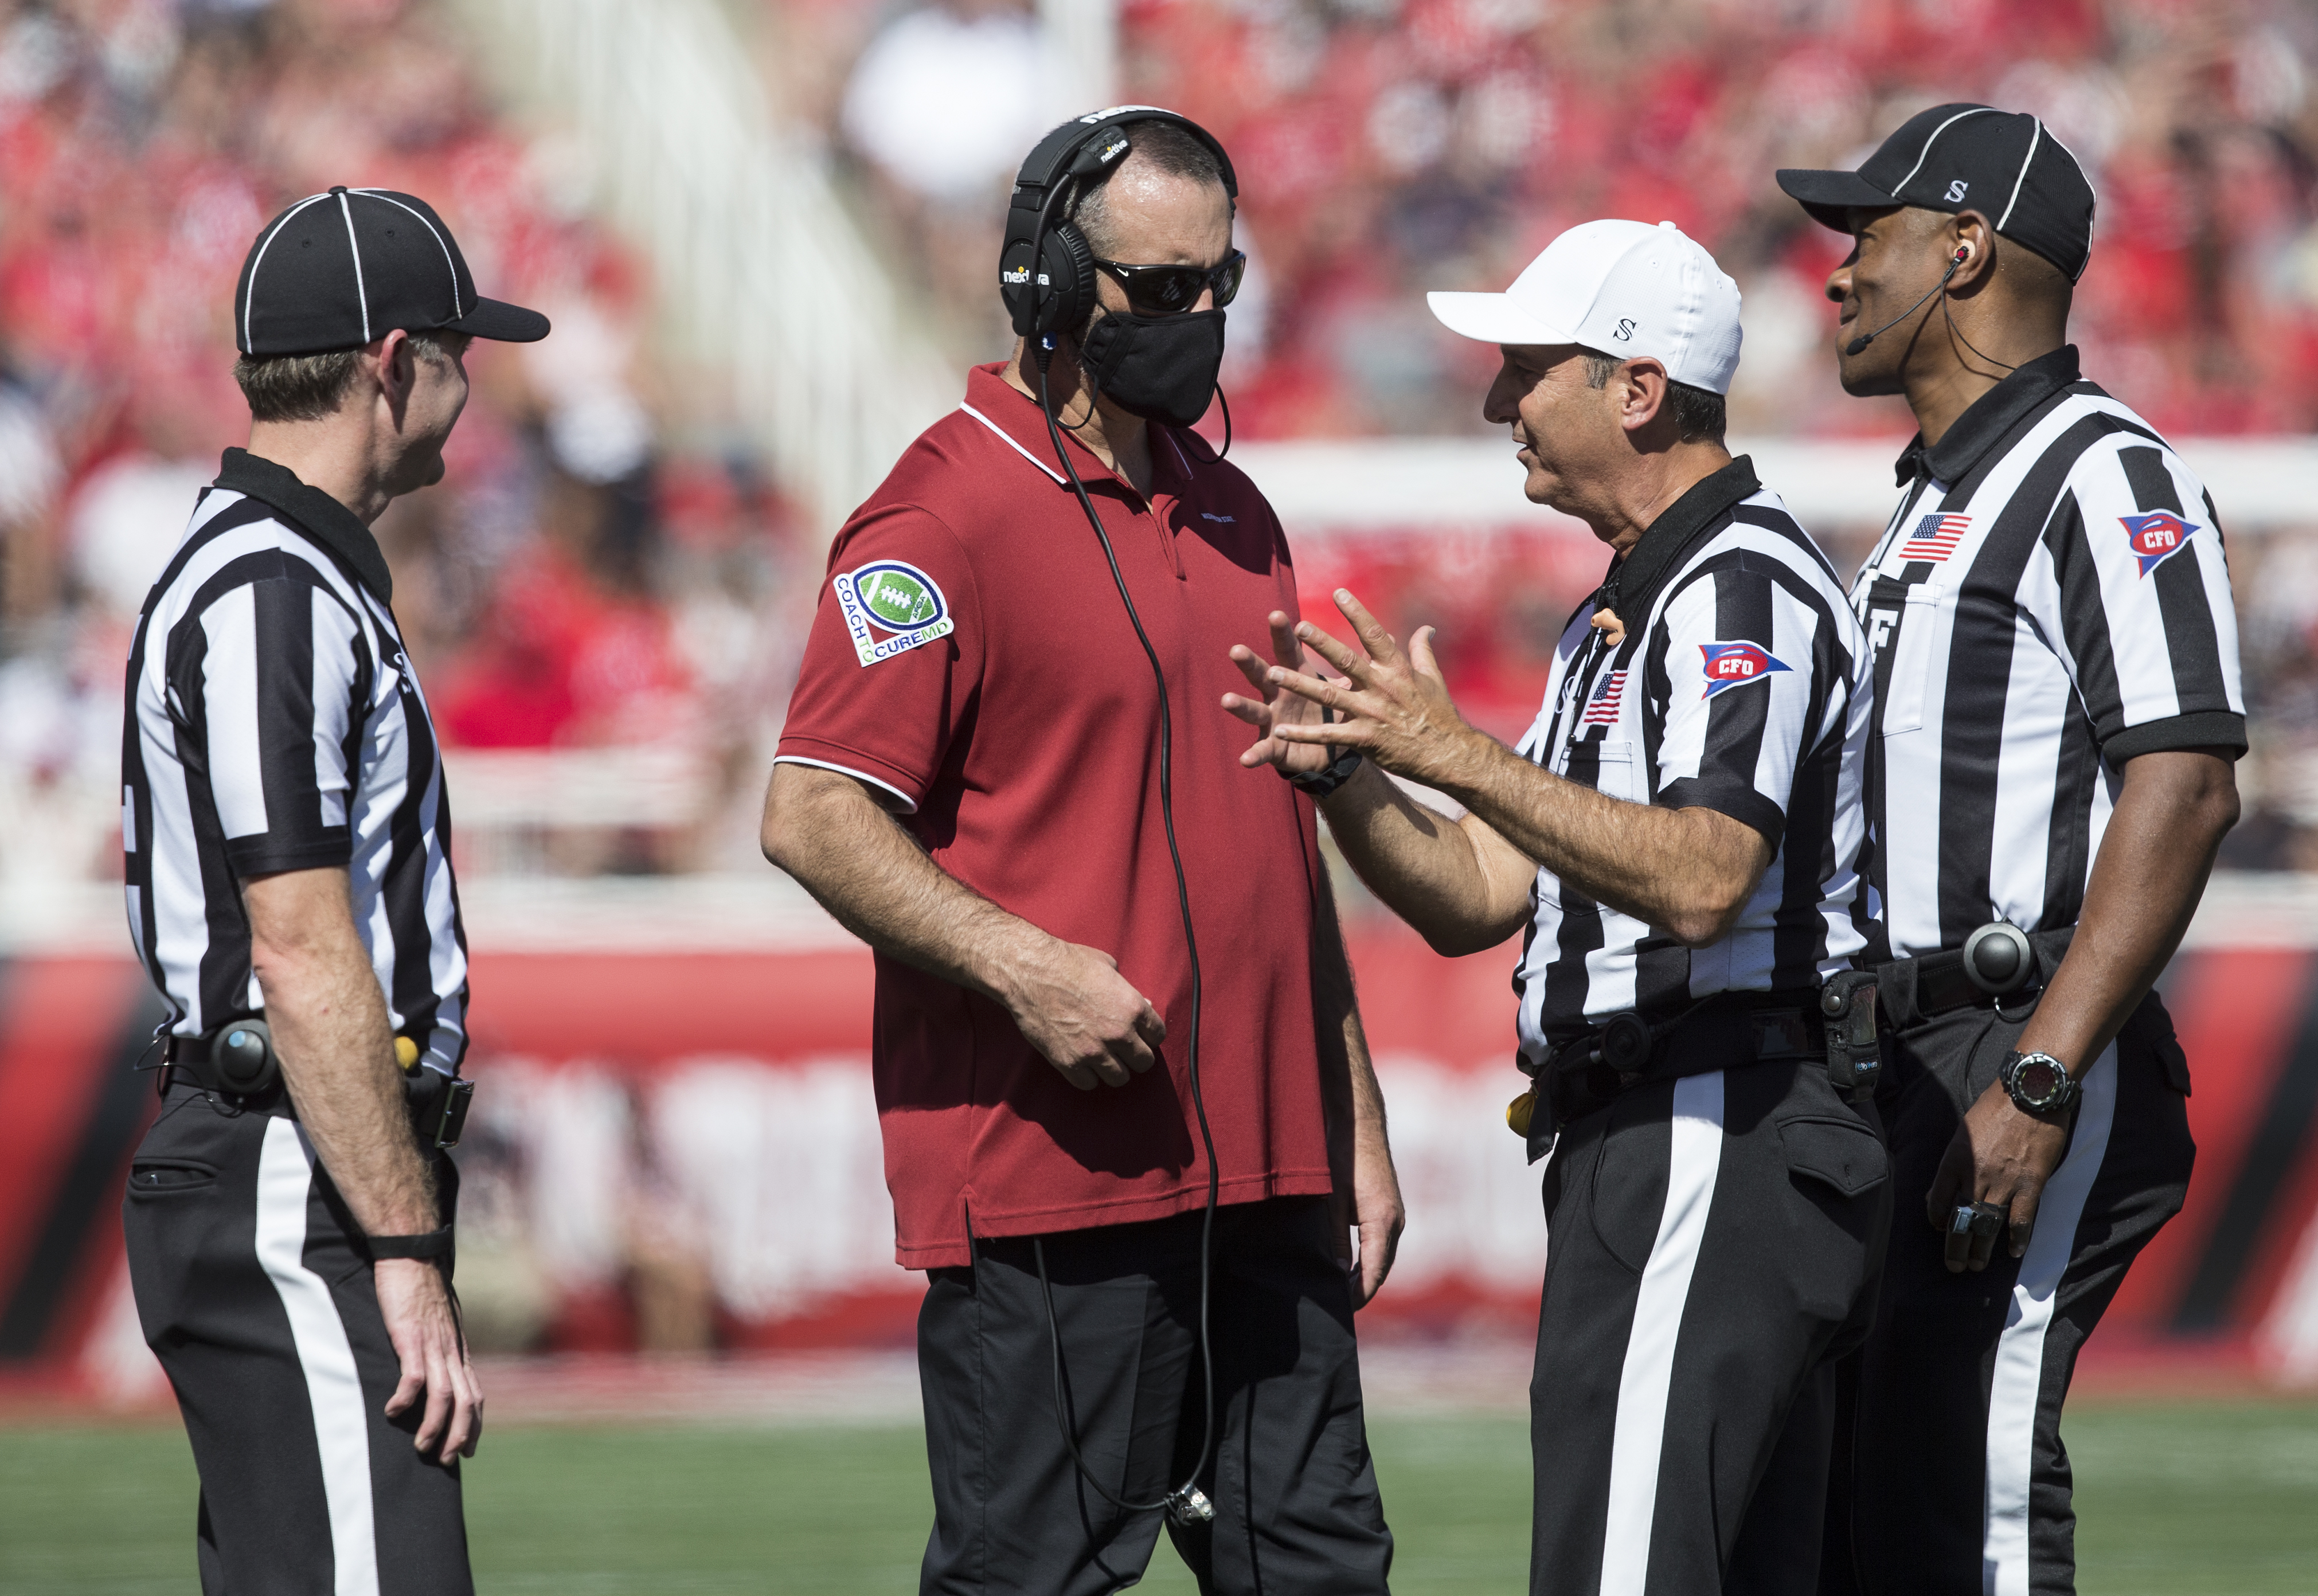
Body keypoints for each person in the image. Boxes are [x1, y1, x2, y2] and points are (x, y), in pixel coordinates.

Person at [760, 109, 1401, 1595]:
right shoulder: (934, 520)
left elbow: (1278, 840)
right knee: (1033, 1578)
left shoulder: (1241, 513)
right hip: (1058, 1177)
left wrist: (1347, 1111)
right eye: (1159, 288)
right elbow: (811, 809)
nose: (1199, 320)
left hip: (1268, 1171)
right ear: (1048, 286)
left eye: (1217, 283)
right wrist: (1021, 964)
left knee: (1322, 1571)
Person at [1226, 219, 1888, 1594]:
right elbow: (1481, 894)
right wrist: (1352, 774)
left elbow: (1707, 877)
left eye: (1531, 368)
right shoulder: (1617, 615)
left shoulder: (1740, 582)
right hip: (1659, 1136)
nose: (1495, 401)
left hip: (1718, 1123)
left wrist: (1452, 749)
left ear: (1637, 388)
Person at [1776, 105, 2243, 1595]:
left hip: (2013, 1035)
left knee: (1957, 1503)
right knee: (1865, 1504)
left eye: (1868, 235)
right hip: (1902, 1054)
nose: (1837, 274)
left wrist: (2039, 1080)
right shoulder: (1928, 499)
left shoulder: (2100, 471)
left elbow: (2180, 783)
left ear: (1965, 246)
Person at [120, 187, 549, 1594]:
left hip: (294, 1156)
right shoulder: (271, 589)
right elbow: (303, 952)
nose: (470, 388)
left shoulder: (284, 574)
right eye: (458, 354)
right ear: (393, 362)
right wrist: (407, 1252)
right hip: (285, 1159)